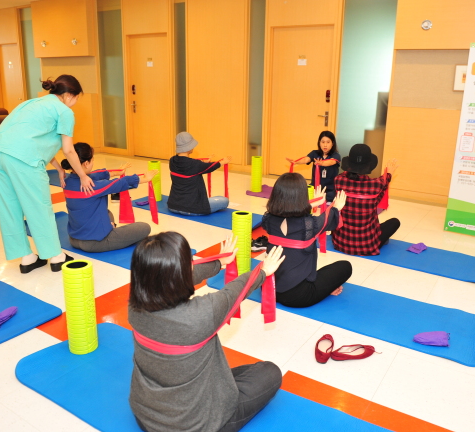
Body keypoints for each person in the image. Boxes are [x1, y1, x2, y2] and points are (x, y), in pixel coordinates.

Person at [128, 233, 285, 432]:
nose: (194, 262)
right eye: (190, 261)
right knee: (269, 372)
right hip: (196, 425)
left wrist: (219, 263)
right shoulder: (202, 314)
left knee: (229, 374)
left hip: (146, 416)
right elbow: (235, 292)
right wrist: (262, 271)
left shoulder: (134, 307)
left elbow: (168, 279)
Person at [0, 75, 95, 273]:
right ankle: (56, 257)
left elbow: (39, 139)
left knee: (9, 207)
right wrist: (82, 175)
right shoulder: (64, 111)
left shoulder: (32, 103)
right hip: (22, 158)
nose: (75, 103)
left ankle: (27, 258)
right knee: (38, 206)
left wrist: (59, 168)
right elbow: (68, 150)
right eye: (77, 98)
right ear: (69, 95)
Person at [261, 173, 352, 307]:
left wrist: (315, 202)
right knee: (345, 266)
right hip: (298, 296)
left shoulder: (268, 220)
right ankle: (325, 290)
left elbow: (290, 213)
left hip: (268, 288)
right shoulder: (310, 224)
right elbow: (329, 218)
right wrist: (337, 206)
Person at [61, 142, 155, 252]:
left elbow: (95, 174)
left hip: (74, 239)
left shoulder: (66, 182)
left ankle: (108, 226)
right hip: (95, 242)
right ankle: (109, 230)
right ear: (86, 163)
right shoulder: (92, 186)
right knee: (144, 228)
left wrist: (116, 172)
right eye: (93, 160)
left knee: (108, 212)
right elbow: (119, 183)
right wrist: (144, 179)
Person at [332, 144, 400, 256]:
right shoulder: (375, 185)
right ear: (369, 165)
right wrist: (389, 173)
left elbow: (344, 176)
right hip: (367, 245)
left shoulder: (338, 181)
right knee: (394, 222)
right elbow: (384, 182)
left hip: (340, 243)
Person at [168, 132, 231, 215]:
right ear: (189, 147)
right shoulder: (195, 164)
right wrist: (223, 162)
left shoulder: (172, 160)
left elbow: (190, 165)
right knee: (224, 200)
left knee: (215, 199)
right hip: (192, 208)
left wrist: (204, 162)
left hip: (173, 205)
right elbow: (209, 167)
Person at [286, 131, 341, 202]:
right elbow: (306, 159)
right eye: (323, 142)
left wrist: (321, 163)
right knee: (301, 194)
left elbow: (331, 162)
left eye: (328, 142)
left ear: (332, 143)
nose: (325, 145)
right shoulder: (315, 153)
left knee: (333, 196)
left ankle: (321, 197)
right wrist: (296, 162)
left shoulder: (336, 155)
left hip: (330, 189)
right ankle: (318, 197)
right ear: (319, 143)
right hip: (315, 187)